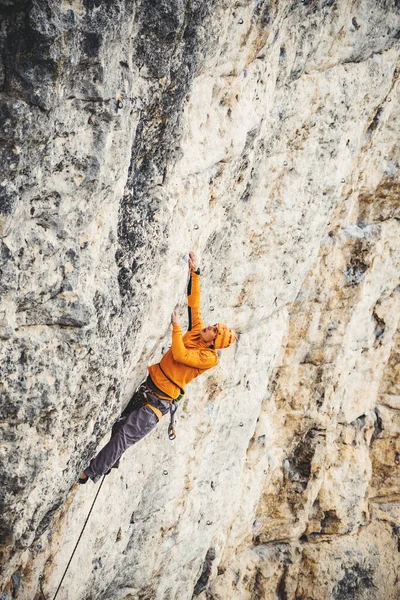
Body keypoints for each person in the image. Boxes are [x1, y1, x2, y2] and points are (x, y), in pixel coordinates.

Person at [79, 251, 237, 484]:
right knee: (119, 428)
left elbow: (180, 355)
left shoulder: (209, 358)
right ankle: (108, 463)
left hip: (156, 404)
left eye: (214, 329)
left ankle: (88, 473)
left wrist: (175, 328)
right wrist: (196, 272)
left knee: (122, 437)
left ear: (215, 341)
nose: (209, 327)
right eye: (213, 325)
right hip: (150, 390)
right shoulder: (197, 333)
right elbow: (195, 303)